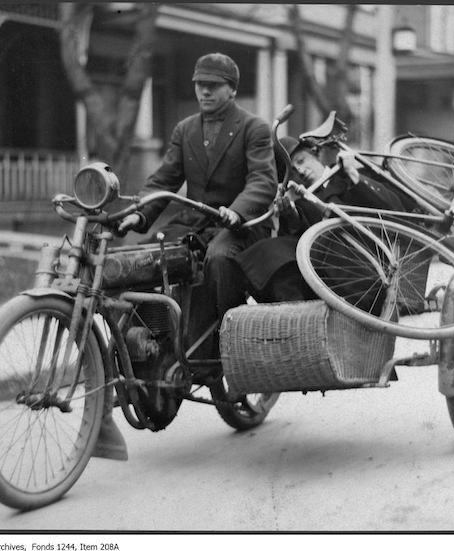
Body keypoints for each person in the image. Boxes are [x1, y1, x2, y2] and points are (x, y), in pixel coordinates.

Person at [94, 52, 277, 460]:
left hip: (241, 228)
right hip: (197, 223)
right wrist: (136, 215)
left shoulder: (253, 128)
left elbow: (264, 180)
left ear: (232, 87)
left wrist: (238, 210)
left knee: (218, 258)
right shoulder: (185, 129)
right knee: (140, 260)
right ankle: (159, 342)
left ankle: (227, 346)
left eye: (214, 84)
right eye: (199, 84)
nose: (205, 91)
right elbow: (164, 180)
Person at [236, 136, 415, 303]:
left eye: (301, 161)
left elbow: (394, 208)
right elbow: (291, 247)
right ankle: (295, 317)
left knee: (275, 250)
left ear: (316, 155)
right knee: (269, 254)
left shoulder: (348, 174)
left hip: (368, 268)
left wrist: (354, 175)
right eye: (293, 172)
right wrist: (292, 217)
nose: (300, 171)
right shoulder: (301, 203)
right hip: (331, 280)